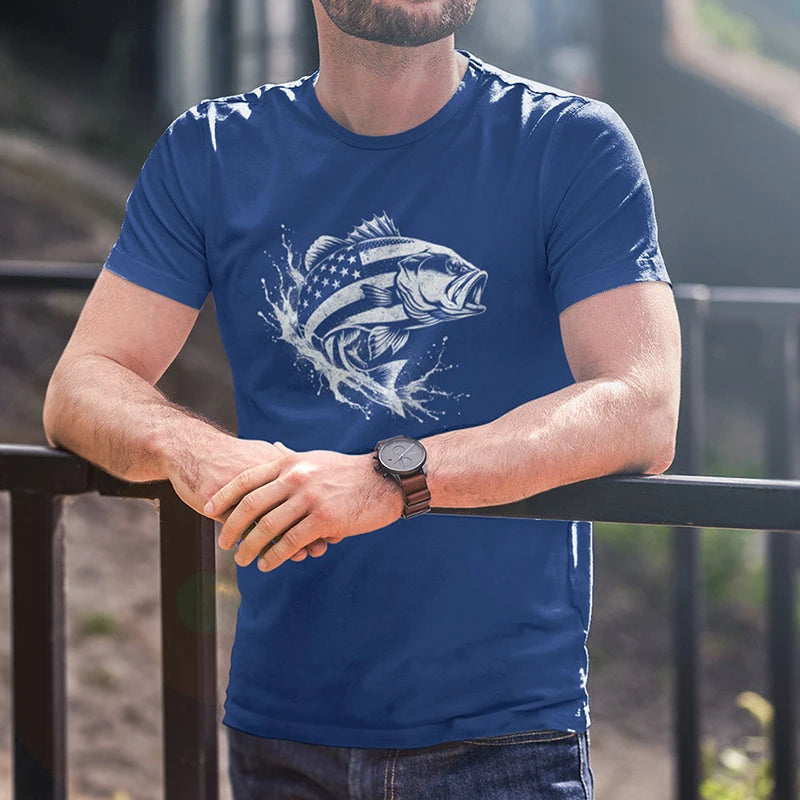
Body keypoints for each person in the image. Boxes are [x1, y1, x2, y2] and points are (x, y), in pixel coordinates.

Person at [43, 0, 681, 796]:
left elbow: (642, 405)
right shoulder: (213, 149)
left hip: (504, 735)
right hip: (280, 731)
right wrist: (198, 454)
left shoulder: (568, 144)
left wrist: (392, 479)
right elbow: (82, 380)